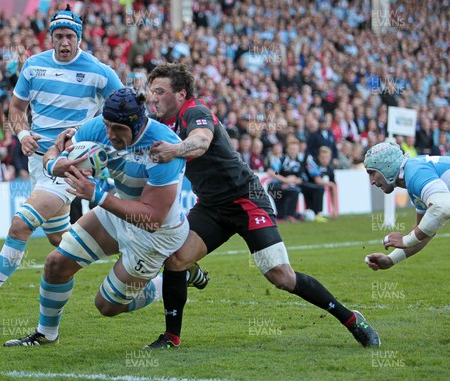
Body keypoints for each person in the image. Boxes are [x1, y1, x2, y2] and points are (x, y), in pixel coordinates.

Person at [145, 63, 380, 349]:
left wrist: (175, 150)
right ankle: (171, 337)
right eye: (150, 91)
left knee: (281, 277)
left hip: (246, 200)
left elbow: (201, 142)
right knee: (175, 260)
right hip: (212, 207)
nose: (152, 97)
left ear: (181, 94)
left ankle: (352, 320)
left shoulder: (196, 112)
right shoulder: (160, 123)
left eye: (159, 91)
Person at [0, 5, 123, 322]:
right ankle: (134, 248)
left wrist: (92, 138)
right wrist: (22, 134)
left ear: (79, 38)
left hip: (71, 163)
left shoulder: (100, 71)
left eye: (69, 36)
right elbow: (16, 109)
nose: (64, 42)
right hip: (38, 162)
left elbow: (126, 109)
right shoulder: (33, 66)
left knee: (20, 225)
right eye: (58, 36)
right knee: (63, 241)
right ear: (51, 37)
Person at [4, 88, 189, 346]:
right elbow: (56, 152)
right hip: (116, 210)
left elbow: (153, 217)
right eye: (107, 126)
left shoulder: (164, 148)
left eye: (119, 130)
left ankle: (169, 281)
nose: (110, 134)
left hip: (154, 234)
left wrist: (98, 196)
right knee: (56, 264)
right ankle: (46, 334)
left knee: (106, 306)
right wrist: (52, 164)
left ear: (137, 125)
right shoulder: (97, 128)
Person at [364, 142, 450, 270]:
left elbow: (442, 207)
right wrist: (391, 259)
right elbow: (425, 232)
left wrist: (406, 240)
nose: (371, 181)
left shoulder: (415, 172)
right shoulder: (412, 176)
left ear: (386, 166)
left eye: (372, 173)